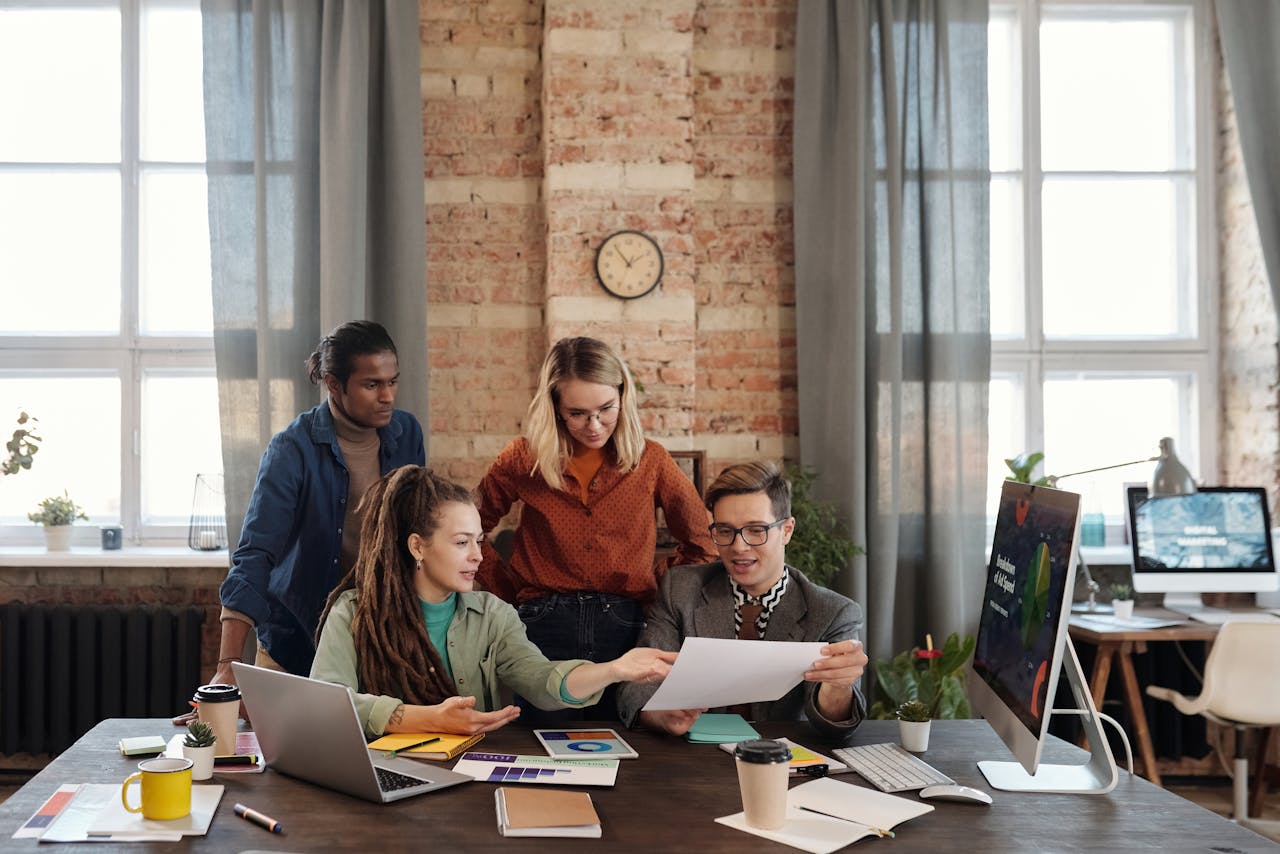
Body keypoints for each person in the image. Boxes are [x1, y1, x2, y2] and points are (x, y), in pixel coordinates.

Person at [310, 466, 676, 736]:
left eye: (479, 541)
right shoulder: (354, 613)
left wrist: (614, 669)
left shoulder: (493, 615)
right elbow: (326, 705)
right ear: (417, 546)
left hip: (471, 780)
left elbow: (542, 680)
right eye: (461, 542)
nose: (478, 556)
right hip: (382, 778)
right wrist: (426, 719)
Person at [475, 336, 716, 724]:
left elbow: (703, 544)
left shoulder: (651, 460)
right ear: (555, 407)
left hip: (623, 625)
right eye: (577, 413)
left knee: (624, 747)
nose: (594, 425)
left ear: (623, 395)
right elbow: (470, 530)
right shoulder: (523, 459)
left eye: (606, 409)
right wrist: (508, 592)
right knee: (541, 745)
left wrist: (652, 582)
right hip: (540, 626)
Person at [212, 320, 425, 686]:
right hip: (296, 646)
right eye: (372, 384)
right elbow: (255, 554)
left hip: (381, 647)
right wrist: (228, 663)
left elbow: (418, 532)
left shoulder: (407, 433)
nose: (387, 396)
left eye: (392, 381)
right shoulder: (291, 449)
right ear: (333, 384)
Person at [617, 461, 869, 738]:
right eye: (725, 531)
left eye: (756, 530)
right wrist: (660, 715)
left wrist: (839, 685)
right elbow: (636, 686)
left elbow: (833, 725)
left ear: (786, 530)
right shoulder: (681, 589)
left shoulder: (833, 612)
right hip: (693, 761)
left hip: (782, 763)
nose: (739, 547)